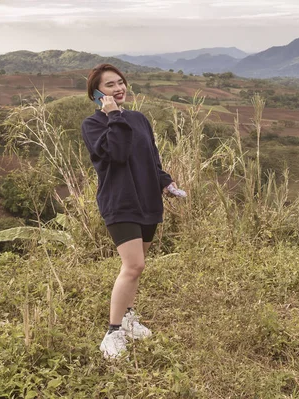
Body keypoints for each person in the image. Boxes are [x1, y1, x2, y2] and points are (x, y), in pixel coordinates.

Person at [81, 63, 177, 359]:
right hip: (120, 201)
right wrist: (113, 116)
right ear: (97, 93)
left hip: (147, 198)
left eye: (120, 82)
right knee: (133, 266)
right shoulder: (94, 124)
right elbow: (118, 154)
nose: (118, 88)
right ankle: (112, 332)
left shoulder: (139, 119)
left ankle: (128, 318)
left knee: (138, 266)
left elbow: (151, 155)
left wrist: (165, 182)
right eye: (110, 85)